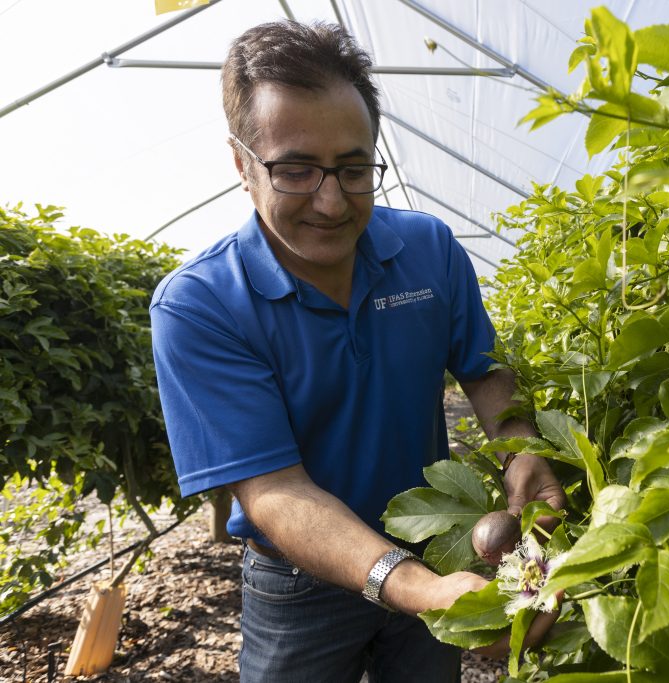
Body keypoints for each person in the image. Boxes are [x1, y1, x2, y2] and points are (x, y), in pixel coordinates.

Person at [149, 19, 566, 683]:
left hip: (432, 545)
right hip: (300, 585)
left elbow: (486, 375)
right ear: (241, 163)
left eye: (352, 167)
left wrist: (522, 448)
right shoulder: (201, 305)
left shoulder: (429, 252)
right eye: (295, 170)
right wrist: (415, 588)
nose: (331, 200)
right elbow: (276, 493)